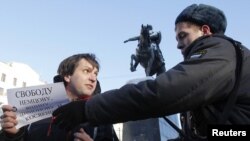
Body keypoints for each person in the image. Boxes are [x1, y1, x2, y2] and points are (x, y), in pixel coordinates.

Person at [53, 4, 250, 140]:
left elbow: (162, 92)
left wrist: (89, 109)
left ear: (205, 31)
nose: (179, 45)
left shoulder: (220, 52)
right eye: (177, 38)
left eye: (183, 36)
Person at [0, 53, 118, 141]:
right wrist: (13, 135)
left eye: (95, 74)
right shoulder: (36, 106)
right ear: (67, 76)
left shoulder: (100, 114)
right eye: (86, 71)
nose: (93, 78)